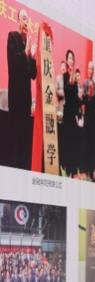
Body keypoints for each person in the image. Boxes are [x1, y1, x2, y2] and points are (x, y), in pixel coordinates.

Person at [5, 9, 37, 170]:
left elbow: (33, 75)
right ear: (18, 20)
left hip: (26, 100)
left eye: (27, 20)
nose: (26, 22)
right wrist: (25, 53)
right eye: (24, 19)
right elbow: (13, 64)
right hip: (15, 98)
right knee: (14, 138)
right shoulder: (12, 37)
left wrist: (33, 57)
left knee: (24, 140)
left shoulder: (27, 44)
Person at [81, 61, 95, 180]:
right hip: (86, 117)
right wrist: (88, 97)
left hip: (93, 118)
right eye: (89, 69)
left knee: (92, 144)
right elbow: (83, 100)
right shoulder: (85, 84)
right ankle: (85, 170)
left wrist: (92, 98)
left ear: (93, 71)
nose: (90, 71)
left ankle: (92, 171)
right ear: (87, 70)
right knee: (85, 143)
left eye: (92, 69)